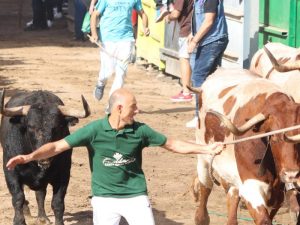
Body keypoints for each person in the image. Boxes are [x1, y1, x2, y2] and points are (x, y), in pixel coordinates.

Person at [6, 88, 224, 225]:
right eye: (134, 107)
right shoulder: (93, 130)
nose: (137, 111)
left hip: (136, 196)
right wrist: (28, 157)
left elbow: (172, 144)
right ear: (119, 108)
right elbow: (55, 147)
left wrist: (206, 149)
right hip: (104, 199)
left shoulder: (141, 130)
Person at [90, 0, 150, 104]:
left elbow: (143, 14)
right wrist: (94, 33)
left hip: (126, 39)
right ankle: (101, 83)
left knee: (121, 73)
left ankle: (112, 104)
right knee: (107, 71)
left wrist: (146, 27)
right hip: (107, 38)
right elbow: (95, 15)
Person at [185, 0, 228, 128]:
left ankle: (200, 117)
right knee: (211, 78)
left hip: (212, 41)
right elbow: (201, 19)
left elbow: (209, 20)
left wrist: (194, 41)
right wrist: (192, 34)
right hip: (212, 39)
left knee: (198, 77)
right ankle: (213, 116)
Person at [165, 0, 194, 102]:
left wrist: (168, 17)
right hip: (195, 29)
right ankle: (189, 89)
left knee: (184, 59)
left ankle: (186, 92)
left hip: (187, 29)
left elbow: (176, 13)